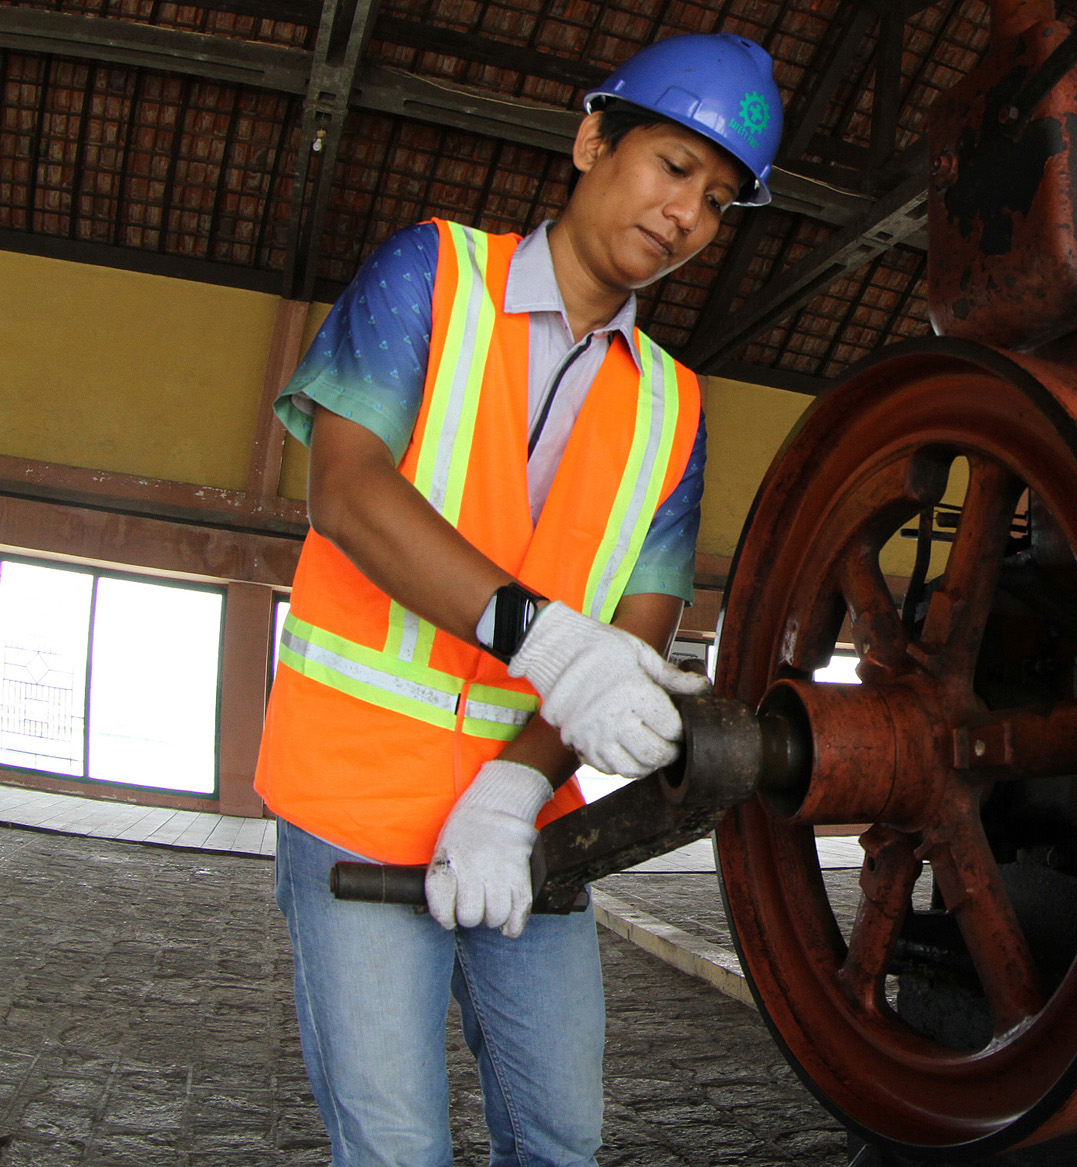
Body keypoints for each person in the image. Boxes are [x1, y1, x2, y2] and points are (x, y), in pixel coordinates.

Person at [253, 34, 783, 1167]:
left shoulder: (675, 405)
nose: (686, 216)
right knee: (395, 1146)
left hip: (530, 819)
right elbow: (346, 491)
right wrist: (542, 643)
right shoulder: (432, 273)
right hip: (353, 791)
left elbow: (642, 623)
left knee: (562, 1137)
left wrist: (514, 788)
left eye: (718, 200)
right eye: (673, 166)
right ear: (592, 141)